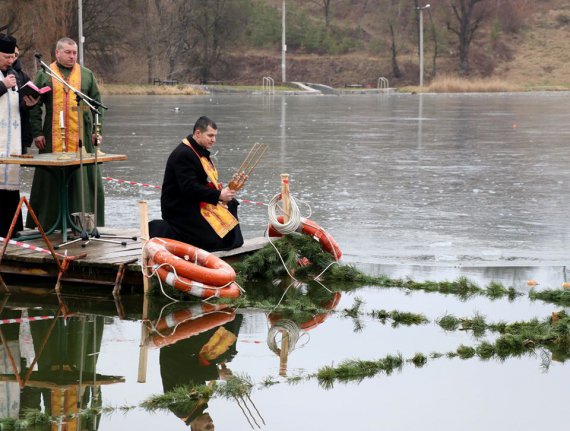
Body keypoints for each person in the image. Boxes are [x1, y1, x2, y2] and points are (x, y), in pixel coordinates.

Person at [25, 37, 105, 231]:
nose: (72, 56)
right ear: (57, 53)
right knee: (50, 178)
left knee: (82, 180)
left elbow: (96, 104)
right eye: (68, 53)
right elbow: (33, 106)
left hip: (82, 137)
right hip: (51, 136)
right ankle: (48, 222)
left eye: (74, 53)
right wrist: (37, 132)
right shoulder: (44, 74)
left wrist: (96, 130)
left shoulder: (86, 75)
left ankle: (82, 224)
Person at [149, 116, 244, 251]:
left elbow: (199, 182)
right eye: (210, 135)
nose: (214, 140)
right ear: (198, 133)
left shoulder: (197, 150)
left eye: (215, 136)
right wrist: (218, 195)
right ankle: (159, 229)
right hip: (179, 208)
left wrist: (221, 191)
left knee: (231, 203)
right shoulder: (184, 154)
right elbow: (189, 187)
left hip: (192, 201)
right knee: (210, 241)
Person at [0, 34, 38, 237]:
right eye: (6, 56)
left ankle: (12, 230)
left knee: (11, 187)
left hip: (13, 141)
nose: (10, 60)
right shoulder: (7, 79)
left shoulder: (19, 75)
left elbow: (20, 107)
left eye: (12, 57)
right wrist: (2, 86)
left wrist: (29, 105)